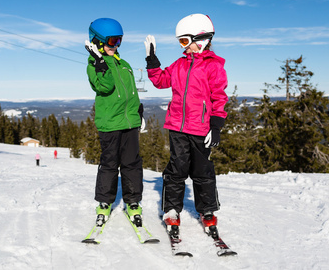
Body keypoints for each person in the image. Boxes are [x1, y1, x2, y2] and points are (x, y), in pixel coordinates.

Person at [144, 14, 228, 237]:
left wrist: (216, 126)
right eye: (180, 42)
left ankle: (207, 210)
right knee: (176, 169)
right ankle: (172, 209)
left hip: (201, 129)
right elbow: (161, 81)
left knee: (202, 172)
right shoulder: (180, 64)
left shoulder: (213, 67)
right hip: (177, 128)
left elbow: (219, 97)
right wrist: (152, 61)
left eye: (184, 41)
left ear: (200, 39)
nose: (183, 47)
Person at [85, 18, 144, 227]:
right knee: (109, 165)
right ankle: (104, 202)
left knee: (132, 164)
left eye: (119, 41)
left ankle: (133, 202)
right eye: (112, 41)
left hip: (129, 124)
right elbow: (105, 87)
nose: (116, 45)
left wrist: (139, 113)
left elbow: (132, 94)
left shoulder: (124, 64)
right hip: (110, 124)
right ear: (98, 42)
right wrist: (100, 63)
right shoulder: (94, 66)